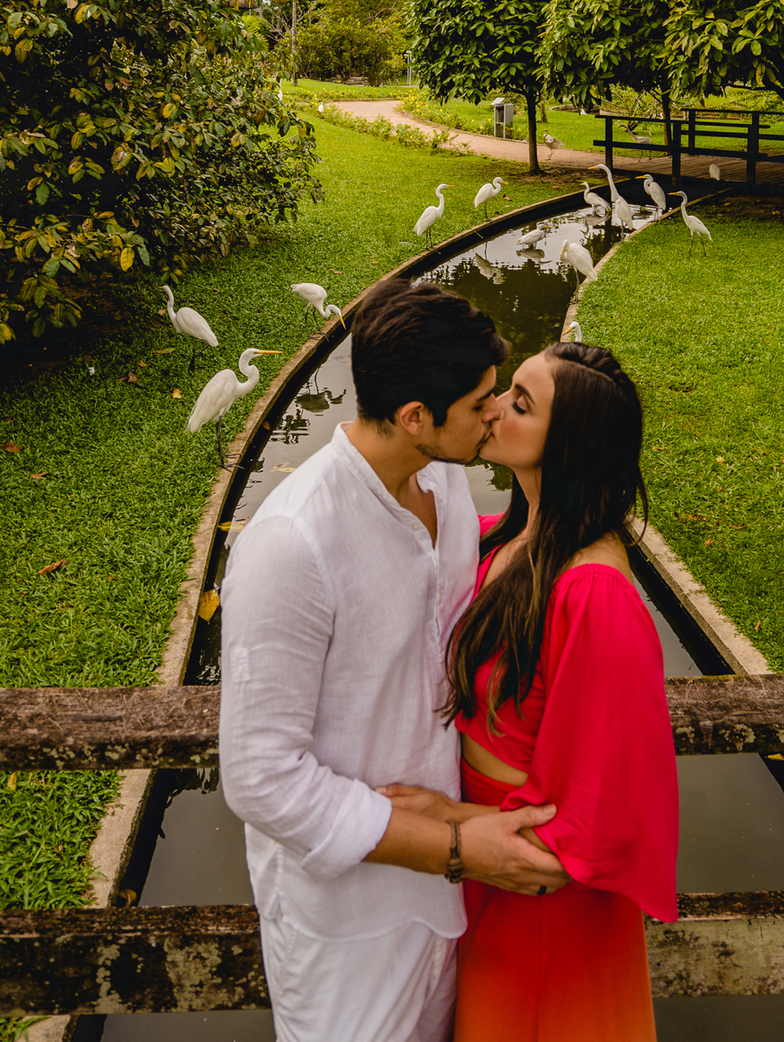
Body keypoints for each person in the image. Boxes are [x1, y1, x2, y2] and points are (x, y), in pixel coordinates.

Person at [218, 278, 569, 1042]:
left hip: (448, 893)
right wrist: (455, 846)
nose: (495, 414)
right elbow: (259, 778)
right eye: (479, 402)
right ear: (415, 417)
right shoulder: (291, 544)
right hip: (350, 924)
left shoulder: (442, 478)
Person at [384, 338, 680, 1040]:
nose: (491, 409)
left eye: (520, 403)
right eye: (502, 393)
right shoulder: (506, 539)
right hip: (489, 874)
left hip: (537, 902)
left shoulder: (594, 594)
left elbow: (587, 827)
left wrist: (444, 821)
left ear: (567, 443)